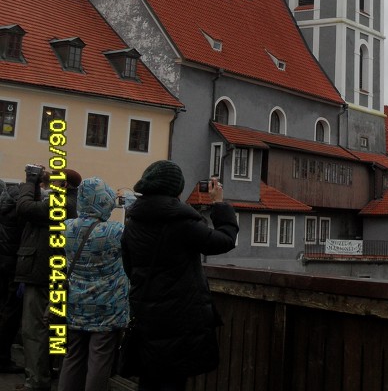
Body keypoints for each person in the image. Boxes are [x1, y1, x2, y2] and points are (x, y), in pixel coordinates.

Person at [121, 161, 238, 391]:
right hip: (179, 318)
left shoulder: (133, 222)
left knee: (150, 377)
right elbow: (224, 241)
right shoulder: (181, 222)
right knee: (173, 379)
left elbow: (129, 266)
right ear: (176, 188)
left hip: (146, 312)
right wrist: (219, 203)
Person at [57, 177, 128, 391]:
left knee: (73, 356)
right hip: (107, 307)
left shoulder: (66, 227)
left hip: (76, 303)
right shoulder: (115, 231)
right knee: (99, 360)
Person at [14, 166, 80, 391]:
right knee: (56, 327)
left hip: (42, 272)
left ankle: (37, 382)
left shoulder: (61, 203)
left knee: (35, 329)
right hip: (52, 271)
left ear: (64, 184)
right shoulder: (69, 202)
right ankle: (54, 374)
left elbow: (24, 208)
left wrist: (30, 181)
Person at [0, 182, 23, 374]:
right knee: (10, 313)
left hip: (2, 262)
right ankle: (3, 357)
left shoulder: (2, 211)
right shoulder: (18, 215)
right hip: (13, 266)